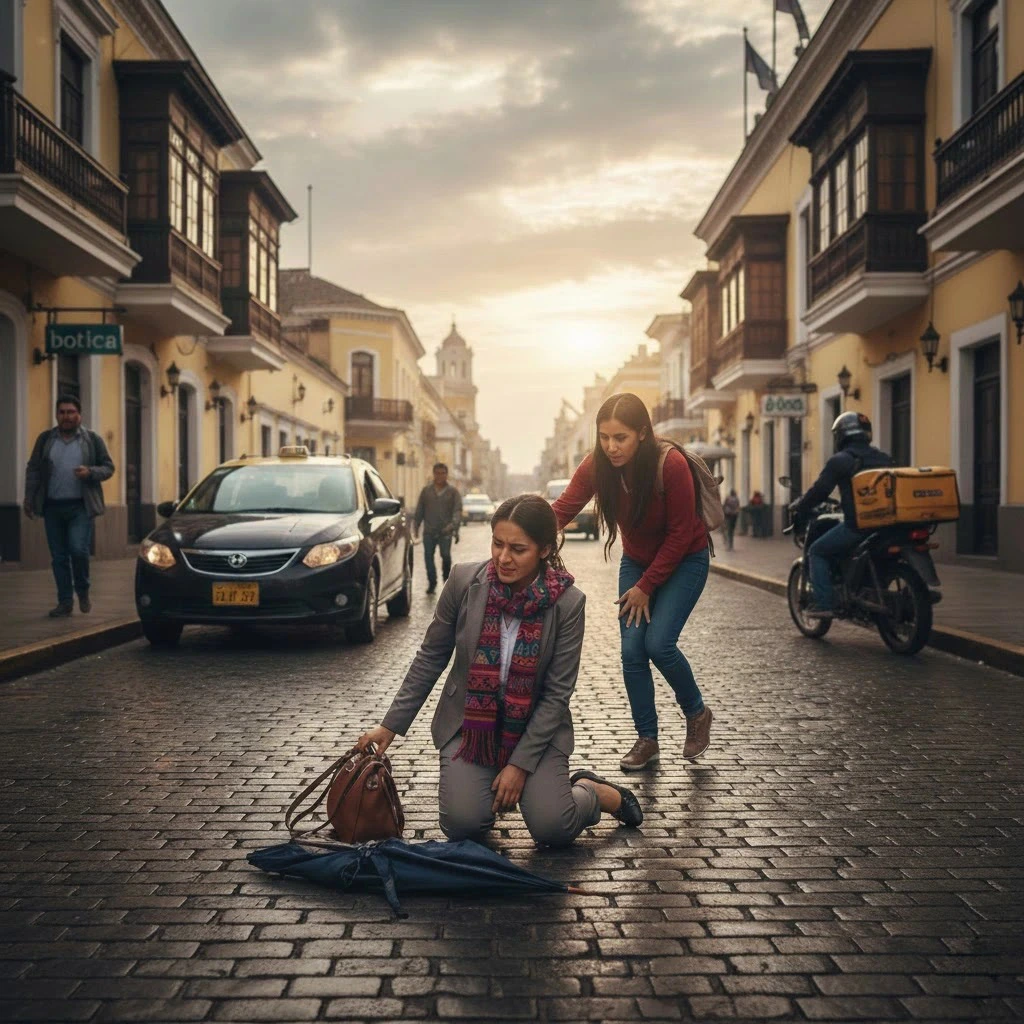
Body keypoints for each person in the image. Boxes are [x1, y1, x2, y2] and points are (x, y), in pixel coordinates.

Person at [357, 495, 642, 846]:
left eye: (517, 549)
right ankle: (480, 789)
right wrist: (390, 726)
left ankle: (594, 792)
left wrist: (519, 766)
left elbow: (556, 695)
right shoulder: (464, 582)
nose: (503, 558)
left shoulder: (568, 604)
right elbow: (431, 655)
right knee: (463, 826)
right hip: (470, 727)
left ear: (544, 550)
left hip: (535, 730)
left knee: (553, 829)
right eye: (498, 544)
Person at [551, 393, 712, 771]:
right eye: (604, 437)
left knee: (659, 643)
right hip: (637, 562)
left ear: (642, 433)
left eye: (620, 437)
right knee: (632, 650)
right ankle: (647, 739)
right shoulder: (598, 465)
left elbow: (680, 533)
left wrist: (646, 587)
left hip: (685, 559)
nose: (611, 446)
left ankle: (697, 712)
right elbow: (563, 509)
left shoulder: (670, 465)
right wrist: (524, 533)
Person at [788, 411, 894, 619]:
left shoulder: (841, 460)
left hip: (860, 526)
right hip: (889, 524)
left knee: (817, 551)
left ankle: (825, 603)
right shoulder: (884, 458)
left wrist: (800, 506)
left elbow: (819, 491)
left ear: (841, 436)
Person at [23, 395, 115, 617]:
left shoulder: (92, 439)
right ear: (57, 415)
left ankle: (82, 590)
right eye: (62, 412)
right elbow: (34, 469)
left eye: (71, 412)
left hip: (80, 507)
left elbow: (108, 467)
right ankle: (65, 602)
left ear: (79, 415)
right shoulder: (46, 440)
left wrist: (90, 472)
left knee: (78, 549)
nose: (66, 416)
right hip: (52, 506)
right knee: (59, 557)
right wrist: (28, 498)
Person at [413, 463, 462, 595]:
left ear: (446, 474)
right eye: (437, 473)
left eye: (443, 473)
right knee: (428, 557)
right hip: (429, 530)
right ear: (434, 474)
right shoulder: (426, 491)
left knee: (445, 556)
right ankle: (432, 582)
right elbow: (420, 509)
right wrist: (416, 525)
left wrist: (453, 526)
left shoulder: (453, 492)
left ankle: (446, 580)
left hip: (445, 531)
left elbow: (457, 511)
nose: (440, 476)